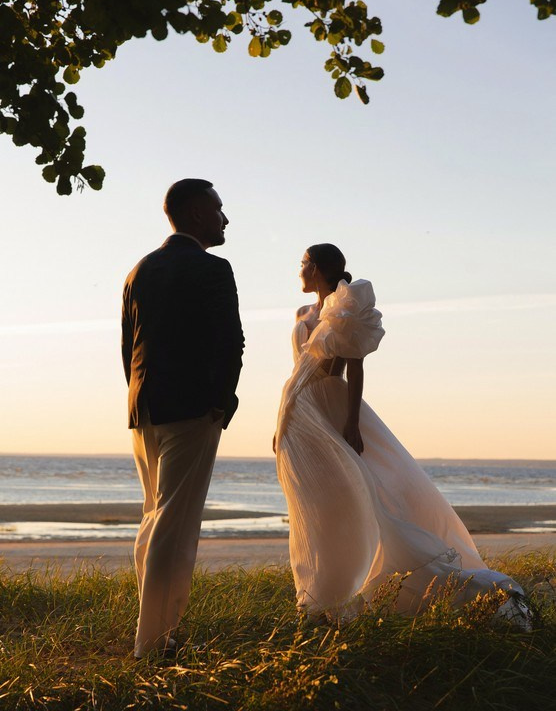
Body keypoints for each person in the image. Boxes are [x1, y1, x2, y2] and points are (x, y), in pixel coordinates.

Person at [274, 243, 532, 629]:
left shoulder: (348, 306)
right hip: (298, 411)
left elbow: (355, 369)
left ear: (319, 268)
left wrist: (352, 422)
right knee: (309, 504)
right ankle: (315, 599)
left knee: (347, 500)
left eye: (303, 264)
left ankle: (342, 593)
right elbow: (297, 373)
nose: (299, 271)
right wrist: (282, 422)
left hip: (331, 405)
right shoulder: (302, 313)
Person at [122, 179, 244, 658]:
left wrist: (138, 399)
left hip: (146, 407)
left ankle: (159, 630)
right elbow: (230, 341)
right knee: (175, 525)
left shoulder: (139, 269)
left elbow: (129, 345)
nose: (225, 217)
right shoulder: (213, 268)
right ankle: (152, 643)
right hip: (193, 408)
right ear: (196, 214)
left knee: (155, 519)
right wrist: (220, 400)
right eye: (218, 207)